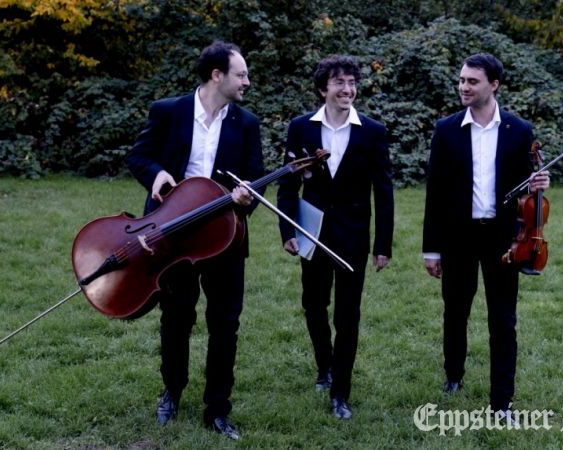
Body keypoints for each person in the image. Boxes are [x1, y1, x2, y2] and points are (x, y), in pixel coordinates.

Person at [125, 40, 264, 440]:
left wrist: (244, 199)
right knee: (176, 317)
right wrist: (157, 176)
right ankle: (172, 389)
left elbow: (254, 177)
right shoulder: (168, 111)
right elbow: (139, 156)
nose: (247, 82)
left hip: (224, 235)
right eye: (241, 74)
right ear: (217, 75)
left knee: (225, 323)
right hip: (173, 235)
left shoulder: (247, 122)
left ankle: (218, 408)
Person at [422, 53, 550, 425]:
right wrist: (431, 248)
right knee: (455, 312)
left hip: (503, 239)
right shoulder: (446, 130)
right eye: (461, 80)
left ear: (493, 85)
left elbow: (530, 188)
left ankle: (502, 404)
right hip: (457, 237)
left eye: (472, 81)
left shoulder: (519, 130)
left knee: (503, 320)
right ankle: (454, 375)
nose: (464, 87)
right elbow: (435, 195)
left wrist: (541, 183)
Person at [276, 55, 394, 420]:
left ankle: (340, 391)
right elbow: (288, 183)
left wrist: (382, 246)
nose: (348, 89)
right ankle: (324, 365)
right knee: (313, 304)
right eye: (340, 82)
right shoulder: (301, 128)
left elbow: (384, 190)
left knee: (348, 313)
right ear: (323, 88)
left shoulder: (372, 131)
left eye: (352, 82)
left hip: (353, 234)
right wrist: (288, 230)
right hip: (311, 231)